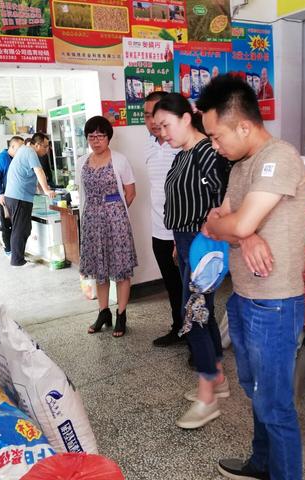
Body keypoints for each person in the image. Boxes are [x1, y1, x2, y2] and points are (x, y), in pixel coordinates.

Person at [198, 75, 305, 480]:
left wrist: (241, 229)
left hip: (275, 303)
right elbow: (215, 221)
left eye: (216, 136)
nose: (214, 145)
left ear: (243, 125)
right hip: (244, 297)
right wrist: (244, 238)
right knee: (254, 390)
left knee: (275, 406)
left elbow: (237, 220)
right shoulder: (240, 166)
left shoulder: (279, 158)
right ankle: (261, 464)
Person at [153, 93, 231, 429]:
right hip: (185, 242)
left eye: (166, 125)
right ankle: (218, 378)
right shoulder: (182, 155)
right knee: (203, 311)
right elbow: (181, 201)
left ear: (187, 118)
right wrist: (177, 243)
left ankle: (207, 398)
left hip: (205, 246)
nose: (162, 133)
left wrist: (204, 238)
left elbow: (226, 199)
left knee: (194, 315)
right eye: (158, 128)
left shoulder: (208, 153)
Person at [75, 116, 137, 338]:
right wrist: (95, 213)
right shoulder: (81, 162)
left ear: (108, 137)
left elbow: (130, 192)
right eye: (91, 136)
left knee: (120, 270)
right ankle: (103, 312)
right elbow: (82, 193)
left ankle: (121, 314)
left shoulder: (120, 160)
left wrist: (115, 212)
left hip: (116, 223)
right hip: (92, 222)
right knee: (99, 271)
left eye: (100, 136)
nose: (96, 140)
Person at [143, 91, 184, 347]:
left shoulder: (179, 144)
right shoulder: (149, 145)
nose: (153, 120)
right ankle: (178, 328)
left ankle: (196, 339)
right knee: (171, 285)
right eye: (147, 115)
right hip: (159, 230)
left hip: (180, 232)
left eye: (157, 114)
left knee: (191, 289)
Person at [4, 133, 56, 267]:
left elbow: (33, 174)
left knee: (23, 228)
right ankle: (17, 261)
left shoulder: (25, 151)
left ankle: (18, 258)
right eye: (45, 146)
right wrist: (46, 190)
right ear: (37, 145)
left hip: (15, 196)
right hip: (19, 196)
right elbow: (39, 171)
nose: (46, 150)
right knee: (20, 229)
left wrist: (41, 187)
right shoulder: (30, 151)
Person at [0, 136, 24, 255]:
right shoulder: (1, 158)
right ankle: (8, 251)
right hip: (1, 197)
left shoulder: (16, 159)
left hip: (13, 197)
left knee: (14, 224)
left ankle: (16, 250)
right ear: (12, 146)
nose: (22, 150)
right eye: (20, 148)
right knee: (4, 225)